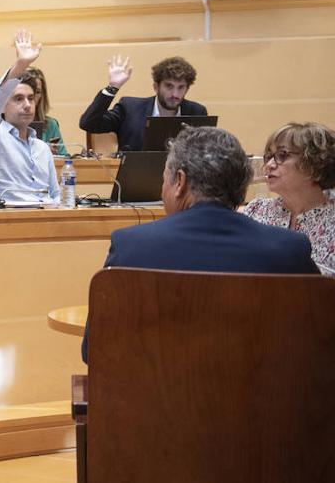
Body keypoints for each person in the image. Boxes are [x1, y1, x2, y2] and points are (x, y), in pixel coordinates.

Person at [84, 126, 319, 362]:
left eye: (163, 179)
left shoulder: (131, 246)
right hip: (264, 397)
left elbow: (93, 350)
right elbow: (319, 344)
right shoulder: (290, 250)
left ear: (180, 182)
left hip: (159, 397)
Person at [0, 30, 59, 203]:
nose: (27, 105)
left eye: (30, 99)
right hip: (10, 219)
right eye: (18, 99)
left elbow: (56, 195)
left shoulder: (42, 148)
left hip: (48, 218)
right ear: (2, 107)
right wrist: (20, 65)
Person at [242, 122, 335, 275]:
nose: (270, 165)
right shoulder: (256, 209)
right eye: (269, 157)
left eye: (282, 155)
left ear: (313, 163)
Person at [78, 55, 208, 152]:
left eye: (181, 87)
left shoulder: (197, 112)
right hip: (134, 185)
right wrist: (112, 87)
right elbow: (88, 123)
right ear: (156, 87)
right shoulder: (130, 108)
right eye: (169, 86)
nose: (175, 94)